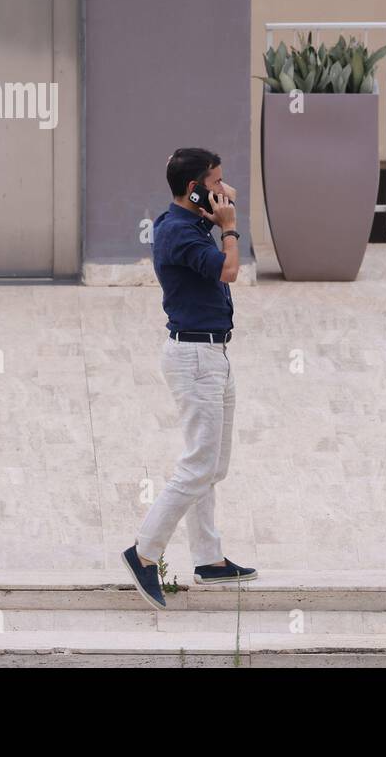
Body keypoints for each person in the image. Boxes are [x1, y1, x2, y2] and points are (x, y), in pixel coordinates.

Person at [121, 148, 257, 610]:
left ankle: (208, 559)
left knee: (212, 465)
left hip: (212, 353)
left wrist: (214, 197)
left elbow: (226, 196)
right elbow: (230, 270)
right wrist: (230, 227)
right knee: (199, 465)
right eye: (214, 181)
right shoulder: (182, 234)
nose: (224, 189)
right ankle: (144, 553)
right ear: (193, 188)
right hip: (195, 357)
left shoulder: (184, 218)